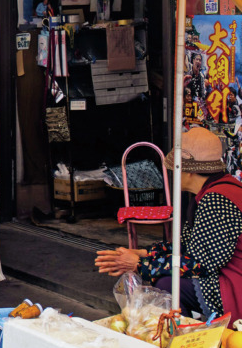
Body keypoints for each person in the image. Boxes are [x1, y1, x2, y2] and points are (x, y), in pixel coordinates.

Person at [96, 127, 242, 319]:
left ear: (188, 171)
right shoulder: (217, 189)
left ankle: (187, 337)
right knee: (164, 279)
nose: (173, 173)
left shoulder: (216, 199)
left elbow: (200, 265)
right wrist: (146, 253)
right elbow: (188, 246)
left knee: (167, 284)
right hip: (227, 276)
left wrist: (141, 264)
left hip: (234, 284)